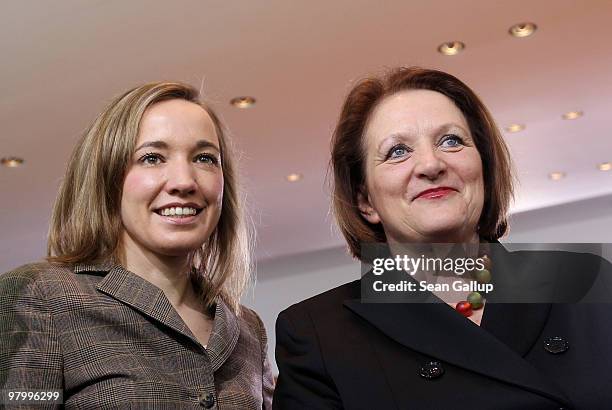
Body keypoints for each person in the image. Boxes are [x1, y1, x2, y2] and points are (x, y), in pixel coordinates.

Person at [273, 67, 612, 409]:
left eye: (451, 141)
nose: (431, 165)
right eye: (397, 151)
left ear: (484, 168)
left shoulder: (587, 282)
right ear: (365, 201)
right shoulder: (317, 333)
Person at [0, 82, 274, 409]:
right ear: (108, 176)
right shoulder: (41, 296)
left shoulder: (247, 329)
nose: (184, 181)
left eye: (204, 158)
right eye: (152, 158)